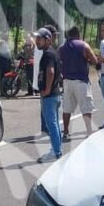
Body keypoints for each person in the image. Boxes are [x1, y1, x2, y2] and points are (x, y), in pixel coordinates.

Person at [58, 26, 100, 139]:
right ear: (78, 34)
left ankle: (66, 131)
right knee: (86, 107)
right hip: (81, 81)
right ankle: (89, 131)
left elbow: (59, 62)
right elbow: (94, 61)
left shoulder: (62, 47)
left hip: (67, 81)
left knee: (67, 108)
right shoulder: (83, 45)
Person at [34, 28, 62, 163]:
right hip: (54, 94)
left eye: (39, 39)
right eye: (36, 38)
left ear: (48, 39)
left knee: (51, 124)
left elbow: (50, 72)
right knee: (54, 123)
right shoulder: (51, 53)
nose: (36, 41)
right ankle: (57, 150)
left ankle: (55, 152)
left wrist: (47, 90)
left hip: (50, 95)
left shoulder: (48, 54)